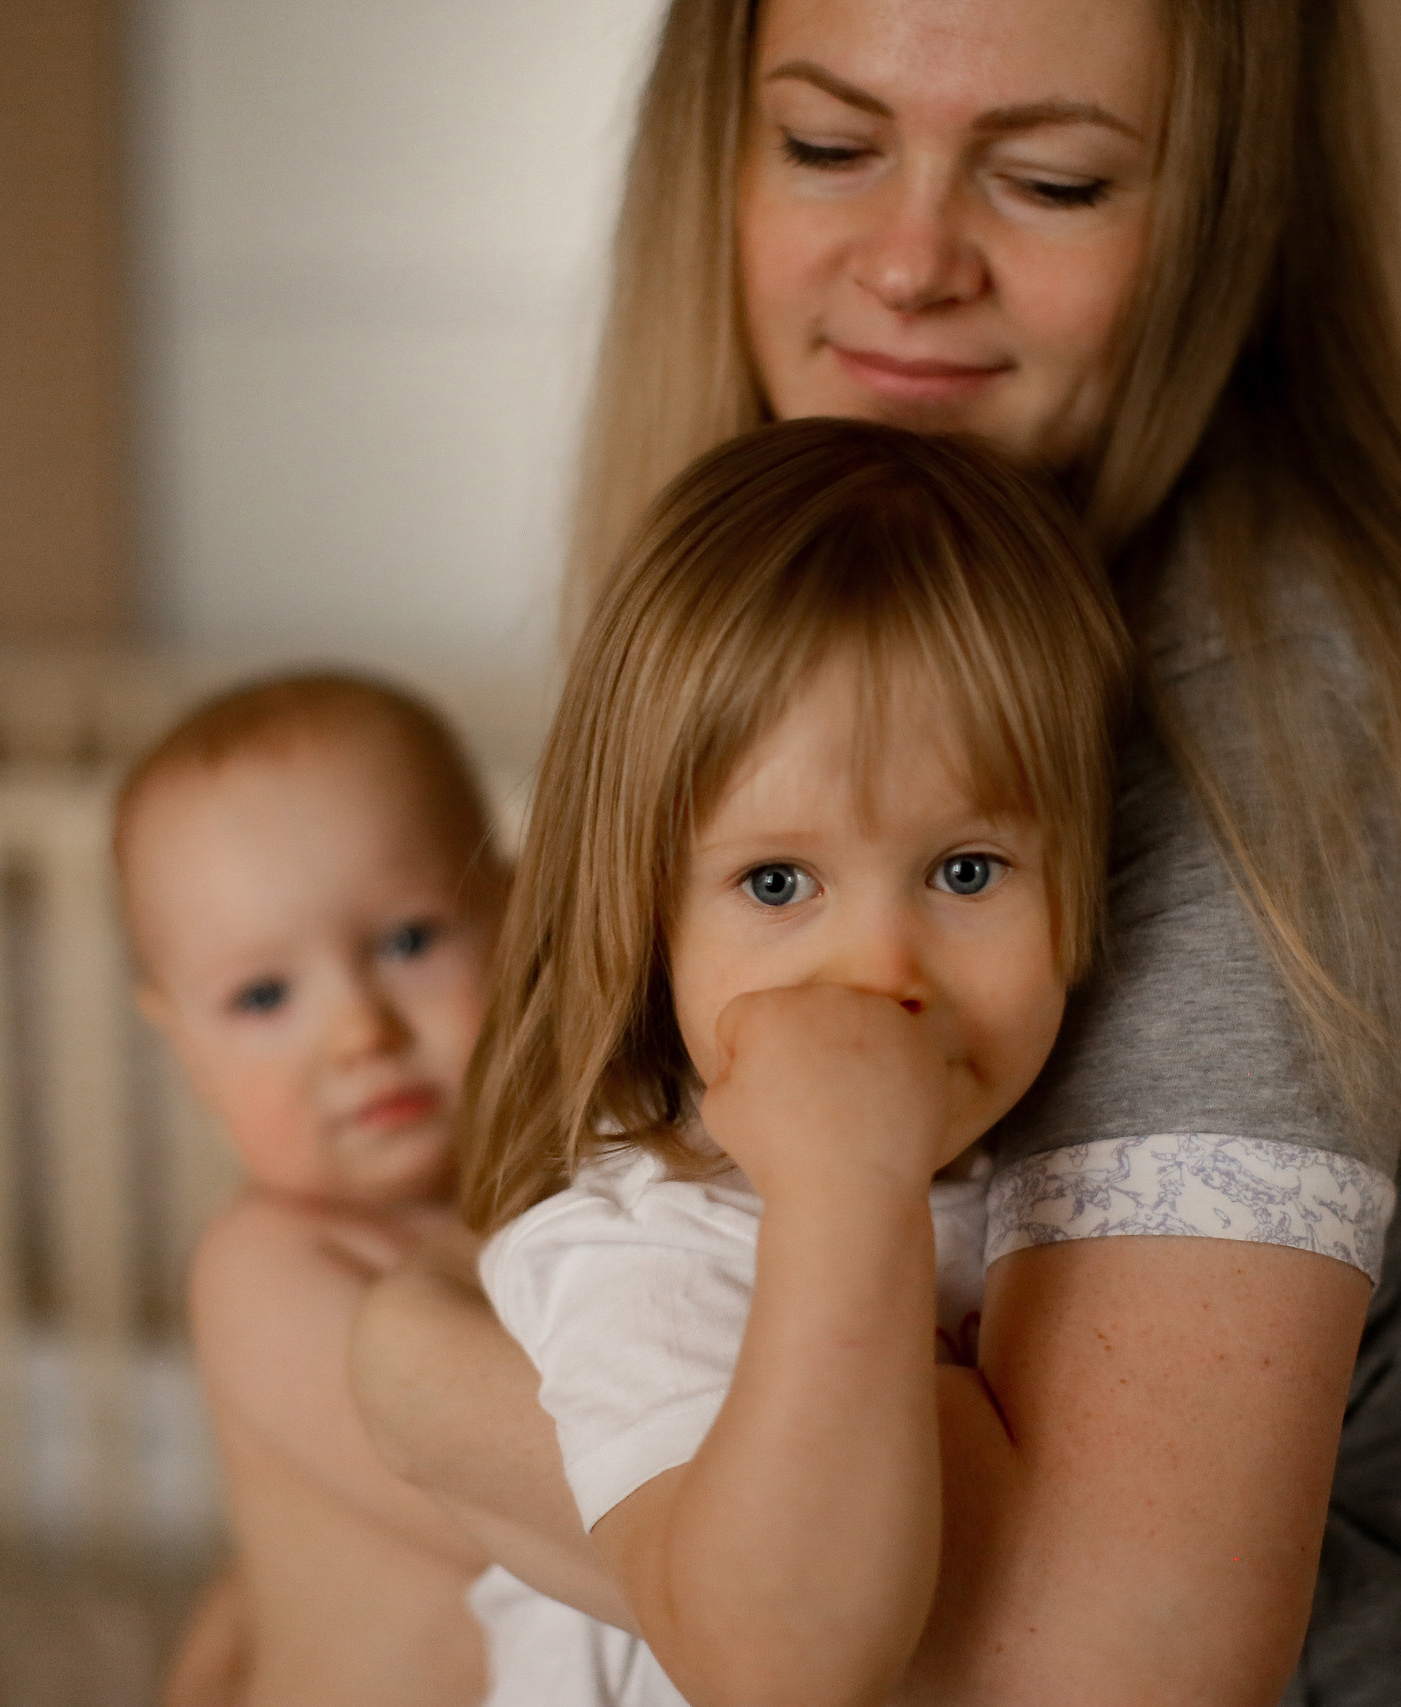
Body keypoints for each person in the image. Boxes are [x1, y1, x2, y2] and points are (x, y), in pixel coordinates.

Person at [356, 1, 1401, 1700]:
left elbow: (1091, 1681)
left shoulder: (1245, 722)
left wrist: (403, 1371)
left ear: (1226, 220)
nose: (912, 259)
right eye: (827, 145)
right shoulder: (905, 670)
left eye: (1055, 179)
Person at [459, 420, 1127, 1706]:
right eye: (777, 882)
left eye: (965, 870)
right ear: (647, 920)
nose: (880, 969)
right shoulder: (647, 1248)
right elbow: (777, 1665)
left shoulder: (1095, 1189)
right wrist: (841, 1189)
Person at [118, 674, 504, 1707]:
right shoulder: (270, 1268)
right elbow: (548, 1523)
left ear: (513, 914)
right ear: (184, 1046)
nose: (359, 1033)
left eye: (410, 941)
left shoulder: (573, 1199)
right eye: (263, 995)